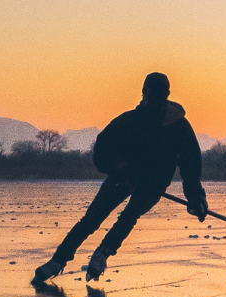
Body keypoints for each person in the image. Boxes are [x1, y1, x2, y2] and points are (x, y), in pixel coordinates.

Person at [32, 72, 208, 285]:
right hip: (124, 176)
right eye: (151, 95)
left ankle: (102, 254)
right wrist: (122, 169)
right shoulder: (128, 121)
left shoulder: (178, 126)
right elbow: (103, 148)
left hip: (154, 183)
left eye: (159, 97)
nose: (154, 101)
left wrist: (195, 197)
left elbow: (190, 163)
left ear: (167, 96)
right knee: (91, 219)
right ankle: (58, 260)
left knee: (129, 216)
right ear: (143, 93)